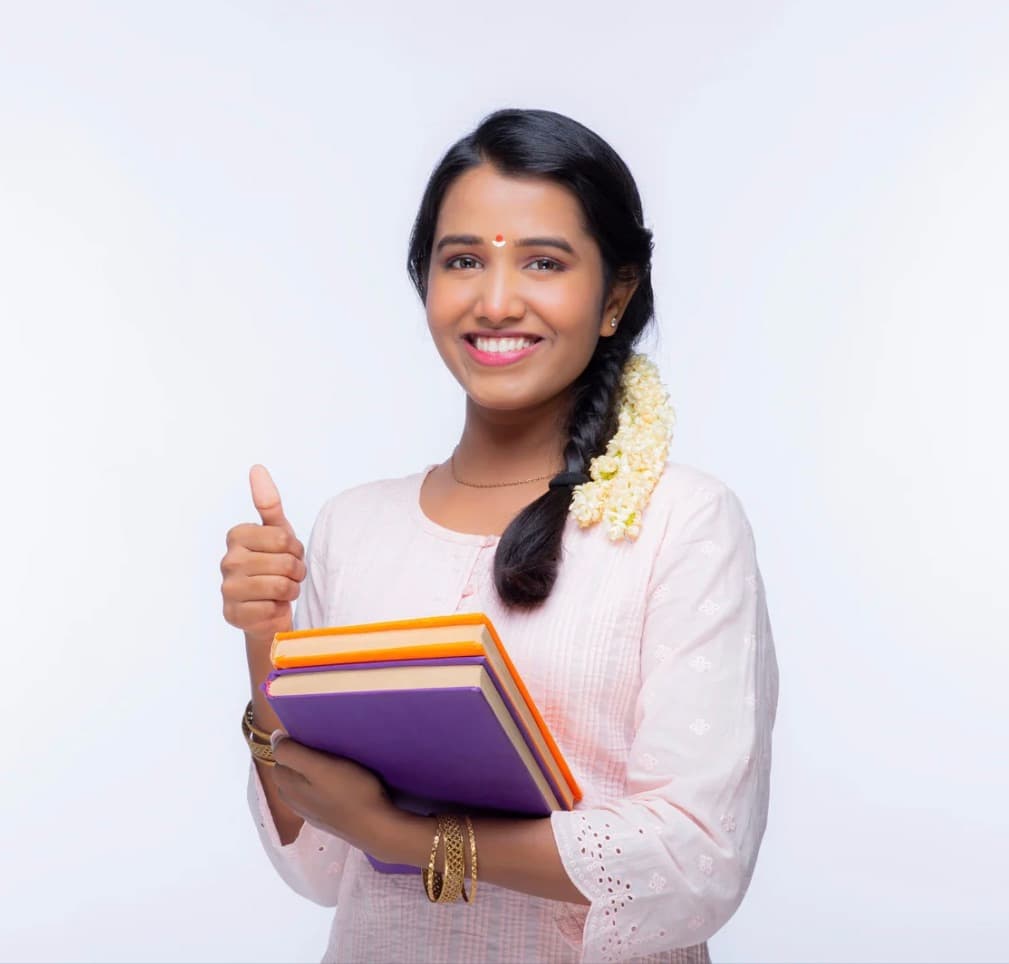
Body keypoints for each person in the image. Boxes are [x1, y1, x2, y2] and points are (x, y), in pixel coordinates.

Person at [220, 107, 779, 963]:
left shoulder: (682, 524)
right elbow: (324, 864)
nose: (496, 299)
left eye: (543, 262)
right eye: (463, 260)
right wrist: (266, 643)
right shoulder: (352, 527)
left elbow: (695, 857)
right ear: (425, 282)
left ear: (615, 296)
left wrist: (414, 839)